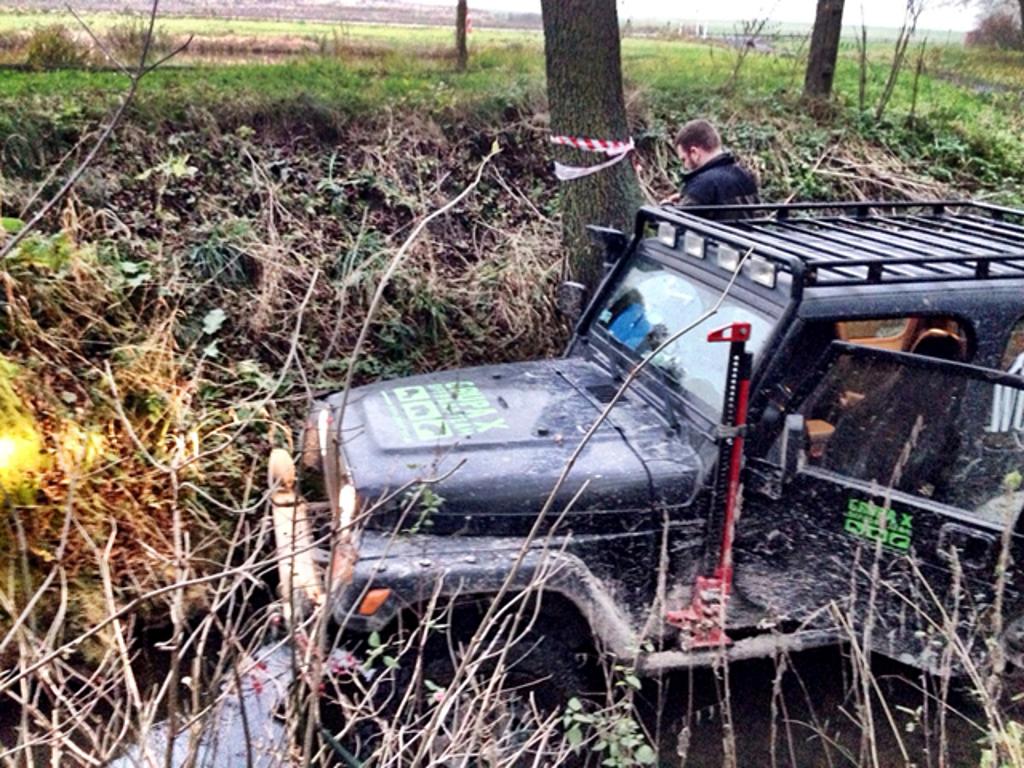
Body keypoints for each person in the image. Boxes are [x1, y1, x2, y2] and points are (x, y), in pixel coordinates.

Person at [660, 119, 759, 215]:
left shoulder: (701, 186)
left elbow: (678, 226)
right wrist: (684, 199)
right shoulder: (745, 176)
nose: (685, 166)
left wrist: (667, 208)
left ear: (694, 152)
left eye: (684, 159)